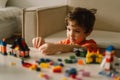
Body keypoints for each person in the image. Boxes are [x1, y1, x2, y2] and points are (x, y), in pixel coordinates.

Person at [32, 7, 98, 55]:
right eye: (69, 29)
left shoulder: (91, 45)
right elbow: (52, 47)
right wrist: (41, 43)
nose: (71, 34)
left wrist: (59, 47)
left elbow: (83, 49)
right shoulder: (66, 42)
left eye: (77, 31)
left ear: (88, 32)